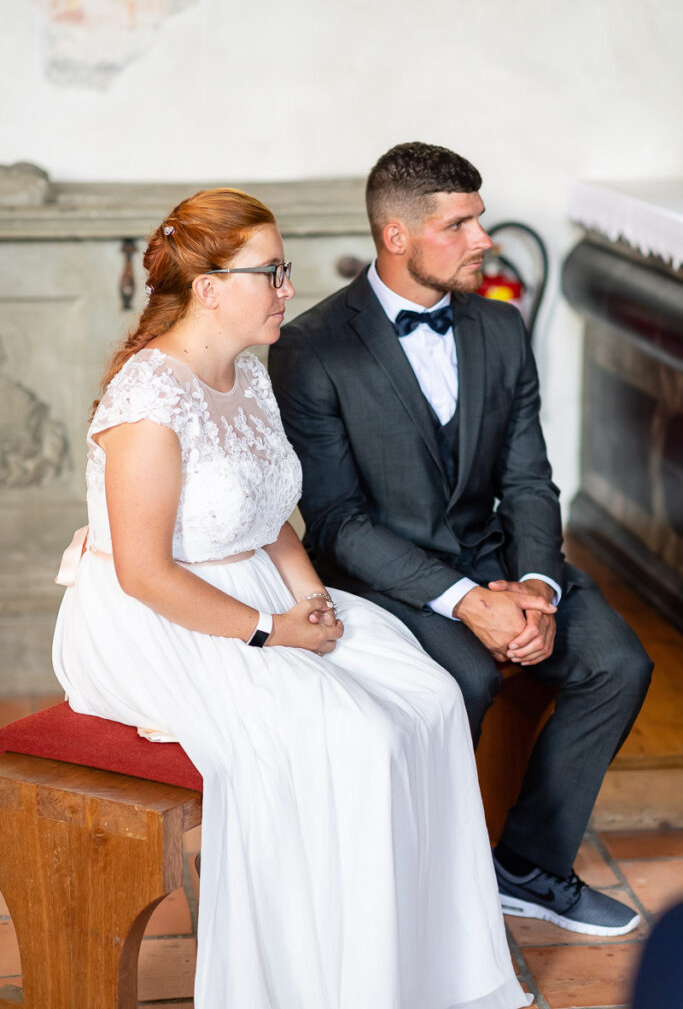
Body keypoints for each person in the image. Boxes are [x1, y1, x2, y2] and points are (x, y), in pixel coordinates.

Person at [52, 187, 533, 1009]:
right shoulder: (148, 400)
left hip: (261, 584)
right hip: (157, 617)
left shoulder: (245, 373)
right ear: (208, 287)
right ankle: (334, 985)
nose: (287, 289)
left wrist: (313, 602)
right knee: (355, 738)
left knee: (427, 696)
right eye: (270, 273)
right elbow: (143, 572)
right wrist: (270, 633)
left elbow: (271, 510)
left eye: (285, 270)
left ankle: (426, 976)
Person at [269, 142, 654, 938]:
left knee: (619, 662)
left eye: (479, 218)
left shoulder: (499, 327)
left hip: (500, 559)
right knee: (463, 680)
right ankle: (422, 895)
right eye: (461, 224)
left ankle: (527, 868)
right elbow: (336, 520)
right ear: (397, 236)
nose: (485, 240)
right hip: (387, 578)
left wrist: (538, 588)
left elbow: (529, 481)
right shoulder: (313, 347)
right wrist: (466, 601)